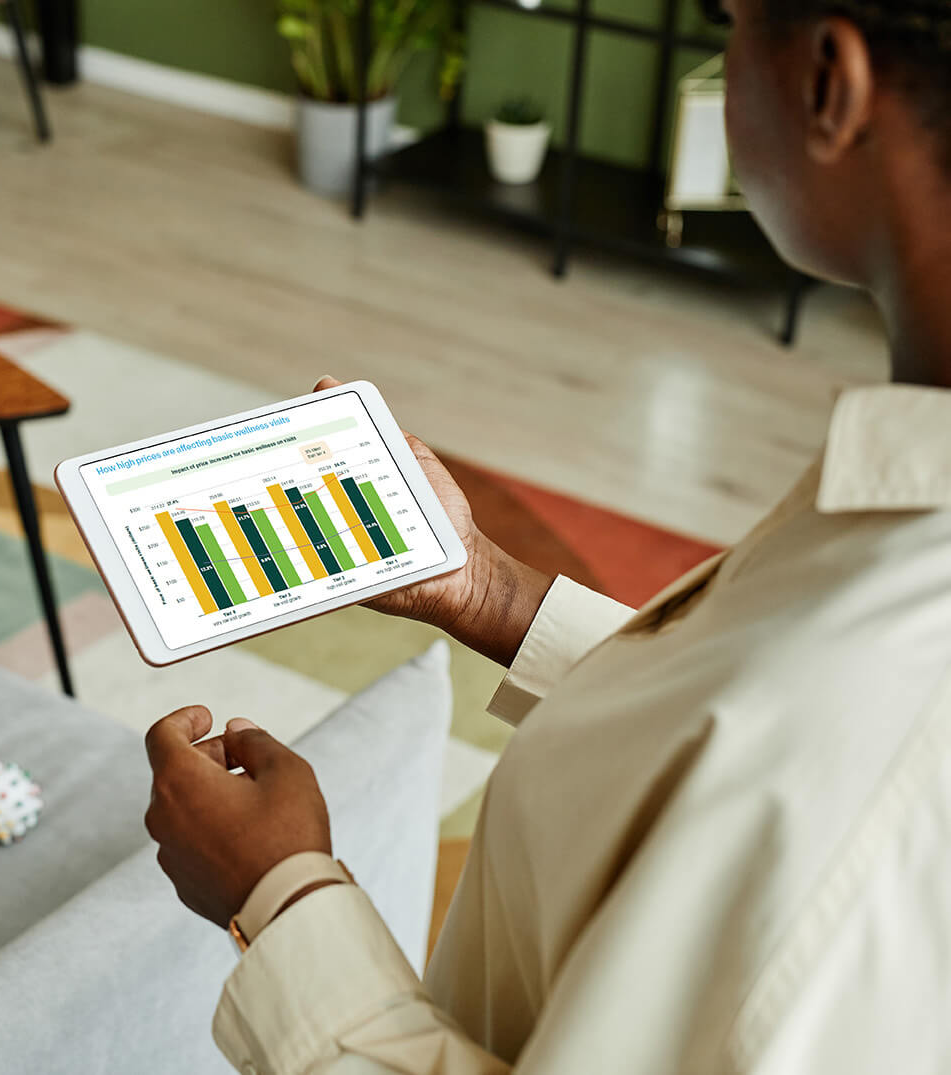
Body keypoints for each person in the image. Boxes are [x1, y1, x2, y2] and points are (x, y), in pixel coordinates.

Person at [142, 0, 951, 1069]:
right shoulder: (897, 525)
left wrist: (279, 894)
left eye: (727, 23)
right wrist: (488, 592)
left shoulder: (883, 716)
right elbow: (732, 743)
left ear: (825, 86)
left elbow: (802, 750)